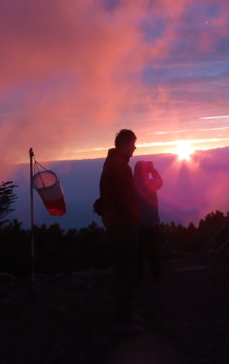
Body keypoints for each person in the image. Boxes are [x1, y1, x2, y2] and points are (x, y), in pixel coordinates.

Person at [98, 129, 140, 330]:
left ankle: (123, 317)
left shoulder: (111, 163)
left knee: (122, 272)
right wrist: (133, 221)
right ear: (123, 144)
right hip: (123, 227)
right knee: (126, 273)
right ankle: (124, 321)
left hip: (115, 224)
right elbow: (124, 200)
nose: (134, 148)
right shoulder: (120, 167)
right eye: (132, 143)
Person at [134, 160, 163, 280]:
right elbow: (160, 182)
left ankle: (139, 275)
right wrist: (153, 170)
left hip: (138, 223)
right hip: (152, 222)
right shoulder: (150, 184)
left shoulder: (131, 185)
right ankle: (156, 275)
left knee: (139, 251)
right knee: (153, 249)